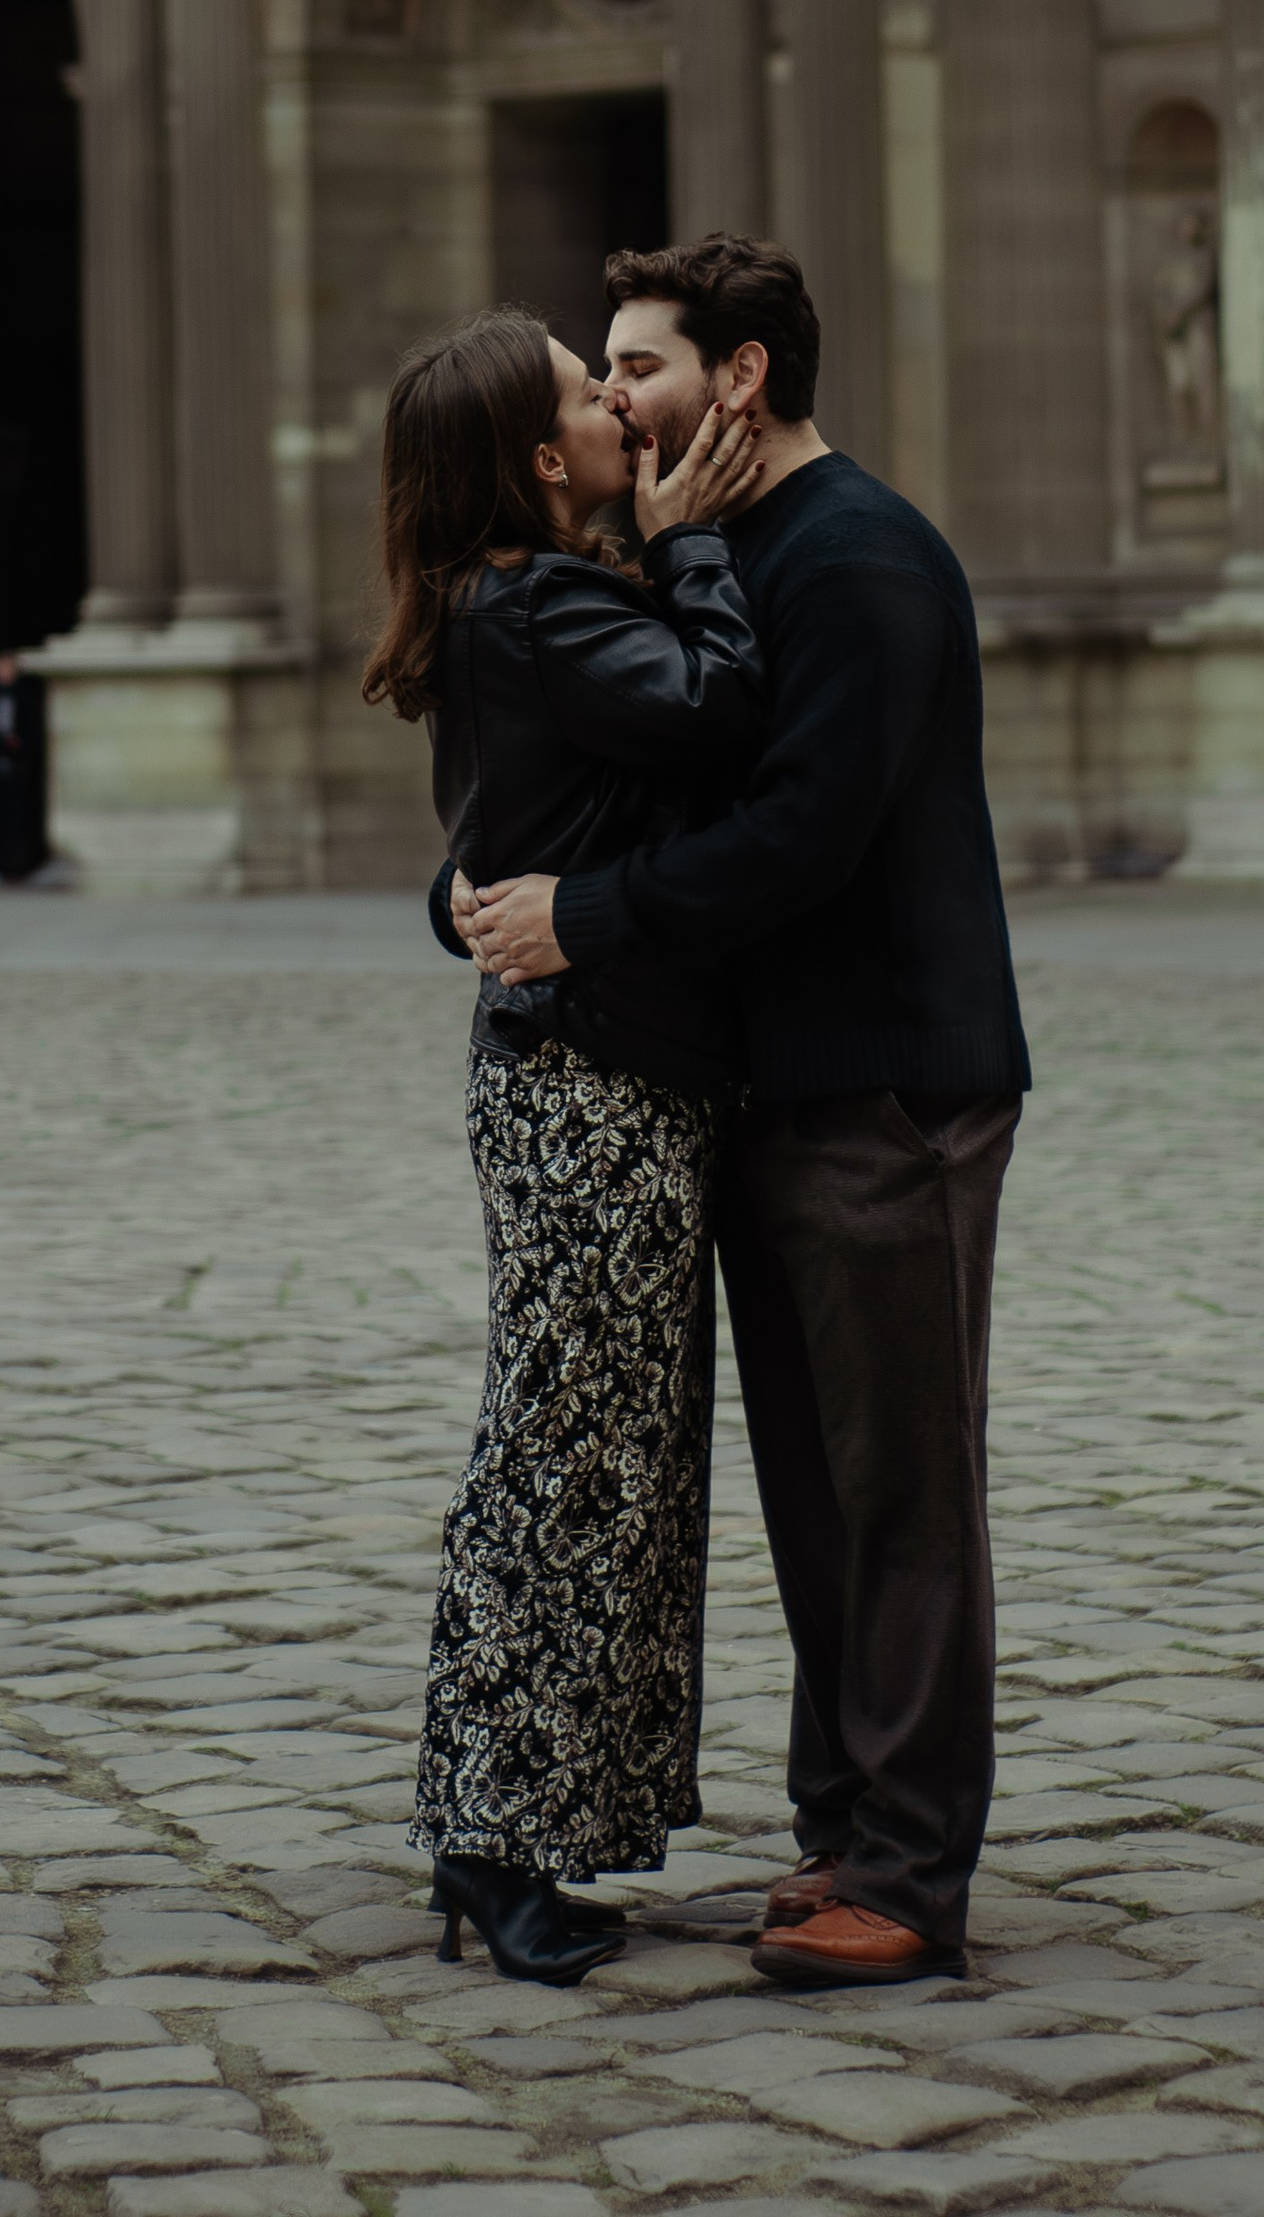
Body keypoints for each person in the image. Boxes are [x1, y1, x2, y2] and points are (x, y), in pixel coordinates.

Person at [463, 233, 1032, 1993]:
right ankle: (840, 1825)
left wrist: (589, 920)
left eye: (637, 364)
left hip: (888, 1078)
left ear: (744, 379)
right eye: (608, 370)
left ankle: (914, 1872)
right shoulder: (715, 552)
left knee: (905, 1490)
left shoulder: (857, 554)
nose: (615, 397)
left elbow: (802, 830)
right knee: (812, 1483)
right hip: (767, 1085)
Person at [366, 306, 767, 1986]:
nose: (618, 402)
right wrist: (696, 549)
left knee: (585, 1453)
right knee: (563, 1458)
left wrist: (464, 906)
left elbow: (497, 830)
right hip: (586, 1082)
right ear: (545, 462)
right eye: (583, 393)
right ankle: (492, 1843)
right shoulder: (540, 598)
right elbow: (717, 710)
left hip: (567, 1068)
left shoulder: (509, 604)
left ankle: (515, 1825)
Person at [0, 653, 47, 884]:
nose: (2, 672)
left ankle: (28, 866)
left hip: (20, 767)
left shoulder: (25, 697)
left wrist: (19, 747)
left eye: (6, 668)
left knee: (22, 818)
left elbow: (31, 733)